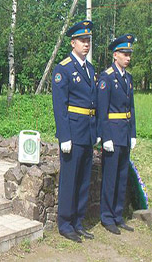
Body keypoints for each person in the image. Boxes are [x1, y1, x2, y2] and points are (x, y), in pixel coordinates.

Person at [52, 20, 98, 243]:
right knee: (70, 180)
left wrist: (96, 129)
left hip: (87, 132)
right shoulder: (64, 68)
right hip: (73, 131)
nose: (86, 44)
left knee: (83, 180)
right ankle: (65, 223)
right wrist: (65, 135)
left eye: (88, 40)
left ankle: (78, 222)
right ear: (73, 42)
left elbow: (93, 103)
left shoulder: (90, 69)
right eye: (82, 40)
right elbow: (60, 105)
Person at [97, 34, 137, 235]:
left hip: (125, 133)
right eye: (124, 54)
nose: (128, 57)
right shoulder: (106, 78)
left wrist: (133, 133)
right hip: (112, 134)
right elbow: (102, 111)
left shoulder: (128, 78)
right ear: (115, 55)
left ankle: (118, 215)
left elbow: (131, 108)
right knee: (110, 177)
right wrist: (106, 137)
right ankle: (106, 217)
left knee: (122, 177)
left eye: (129, 54)